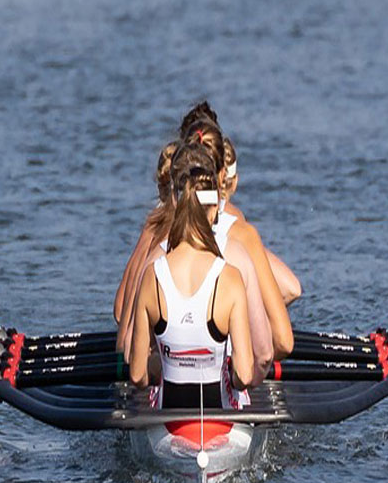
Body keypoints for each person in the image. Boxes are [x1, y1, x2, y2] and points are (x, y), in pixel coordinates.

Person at [128, 142, 255, 408]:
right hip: (223, 428)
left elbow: (138, 374)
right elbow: (244, 375)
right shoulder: (230, 278)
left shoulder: (153, 275)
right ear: (213, 210)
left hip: (169, 426)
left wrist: (161, 362)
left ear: (176, 205)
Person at [177, 103, 302, 305]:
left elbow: (121, 310)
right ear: (223, 174)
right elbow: (291, 289)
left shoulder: (156, 226)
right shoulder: (234, 223)